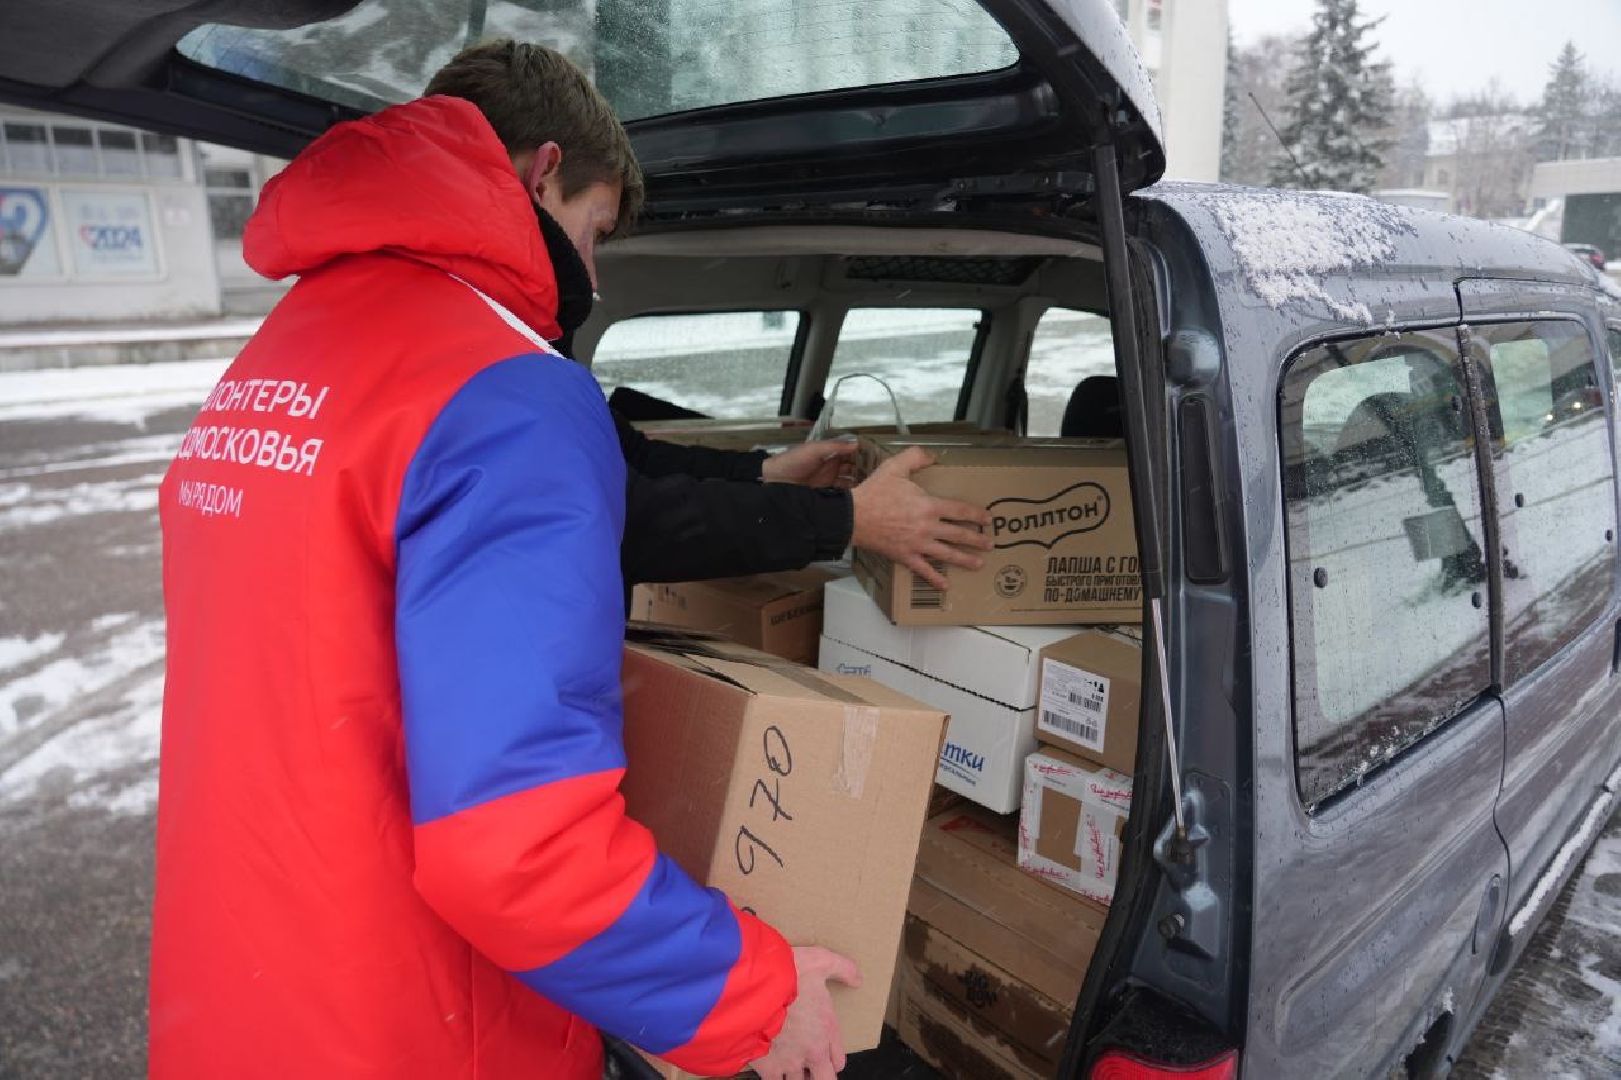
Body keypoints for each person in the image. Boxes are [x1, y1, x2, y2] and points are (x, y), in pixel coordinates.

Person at [152, 41, 868, 1080]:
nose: (588, 272)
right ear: (540, 174)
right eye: (594, 231)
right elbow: (516, 849)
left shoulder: (284, 354)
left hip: (240, 994)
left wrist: (766, 477)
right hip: (412, 1022)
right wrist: (752, 995)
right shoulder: (505, 392)